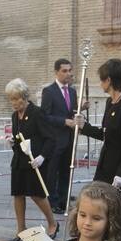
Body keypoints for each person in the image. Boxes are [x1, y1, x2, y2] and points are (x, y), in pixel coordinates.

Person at [74, 58, 121, 197]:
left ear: (109, 80)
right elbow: (105, 134)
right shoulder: (110, 102)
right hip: (104, 166)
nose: (100, 84)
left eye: (101, 80)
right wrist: (84, 126)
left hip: (118, 169)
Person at [3, 78, 58, 241]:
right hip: (19, 160)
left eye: (15, 99)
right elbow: (20, 139)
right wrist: (13, 142)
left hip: (36, 161)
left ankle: (53, 223)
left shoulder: (37, 113)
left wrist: (42, 157)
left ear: (24, 96)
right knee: (18, 194)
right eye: (10, 99)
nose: (13, 103)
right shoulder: (15, 116)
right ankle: (21, 229)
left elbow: (50, 138)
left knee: (37, 194)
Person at [39, 58, 79, 214]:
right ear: (56, 72)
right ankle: (52, 201)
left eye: (70, 70)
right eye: (64, 71)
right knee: (53, 171)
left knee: (66, 170)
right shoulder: (49, 91)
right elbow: (45, 116)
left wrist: (80, 109)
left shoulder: (73, 91)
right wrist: (64, 122)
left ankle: (64, 200)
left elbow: (72, 111)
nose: (68, 73)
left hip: (69, 138)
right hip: (55, 138)